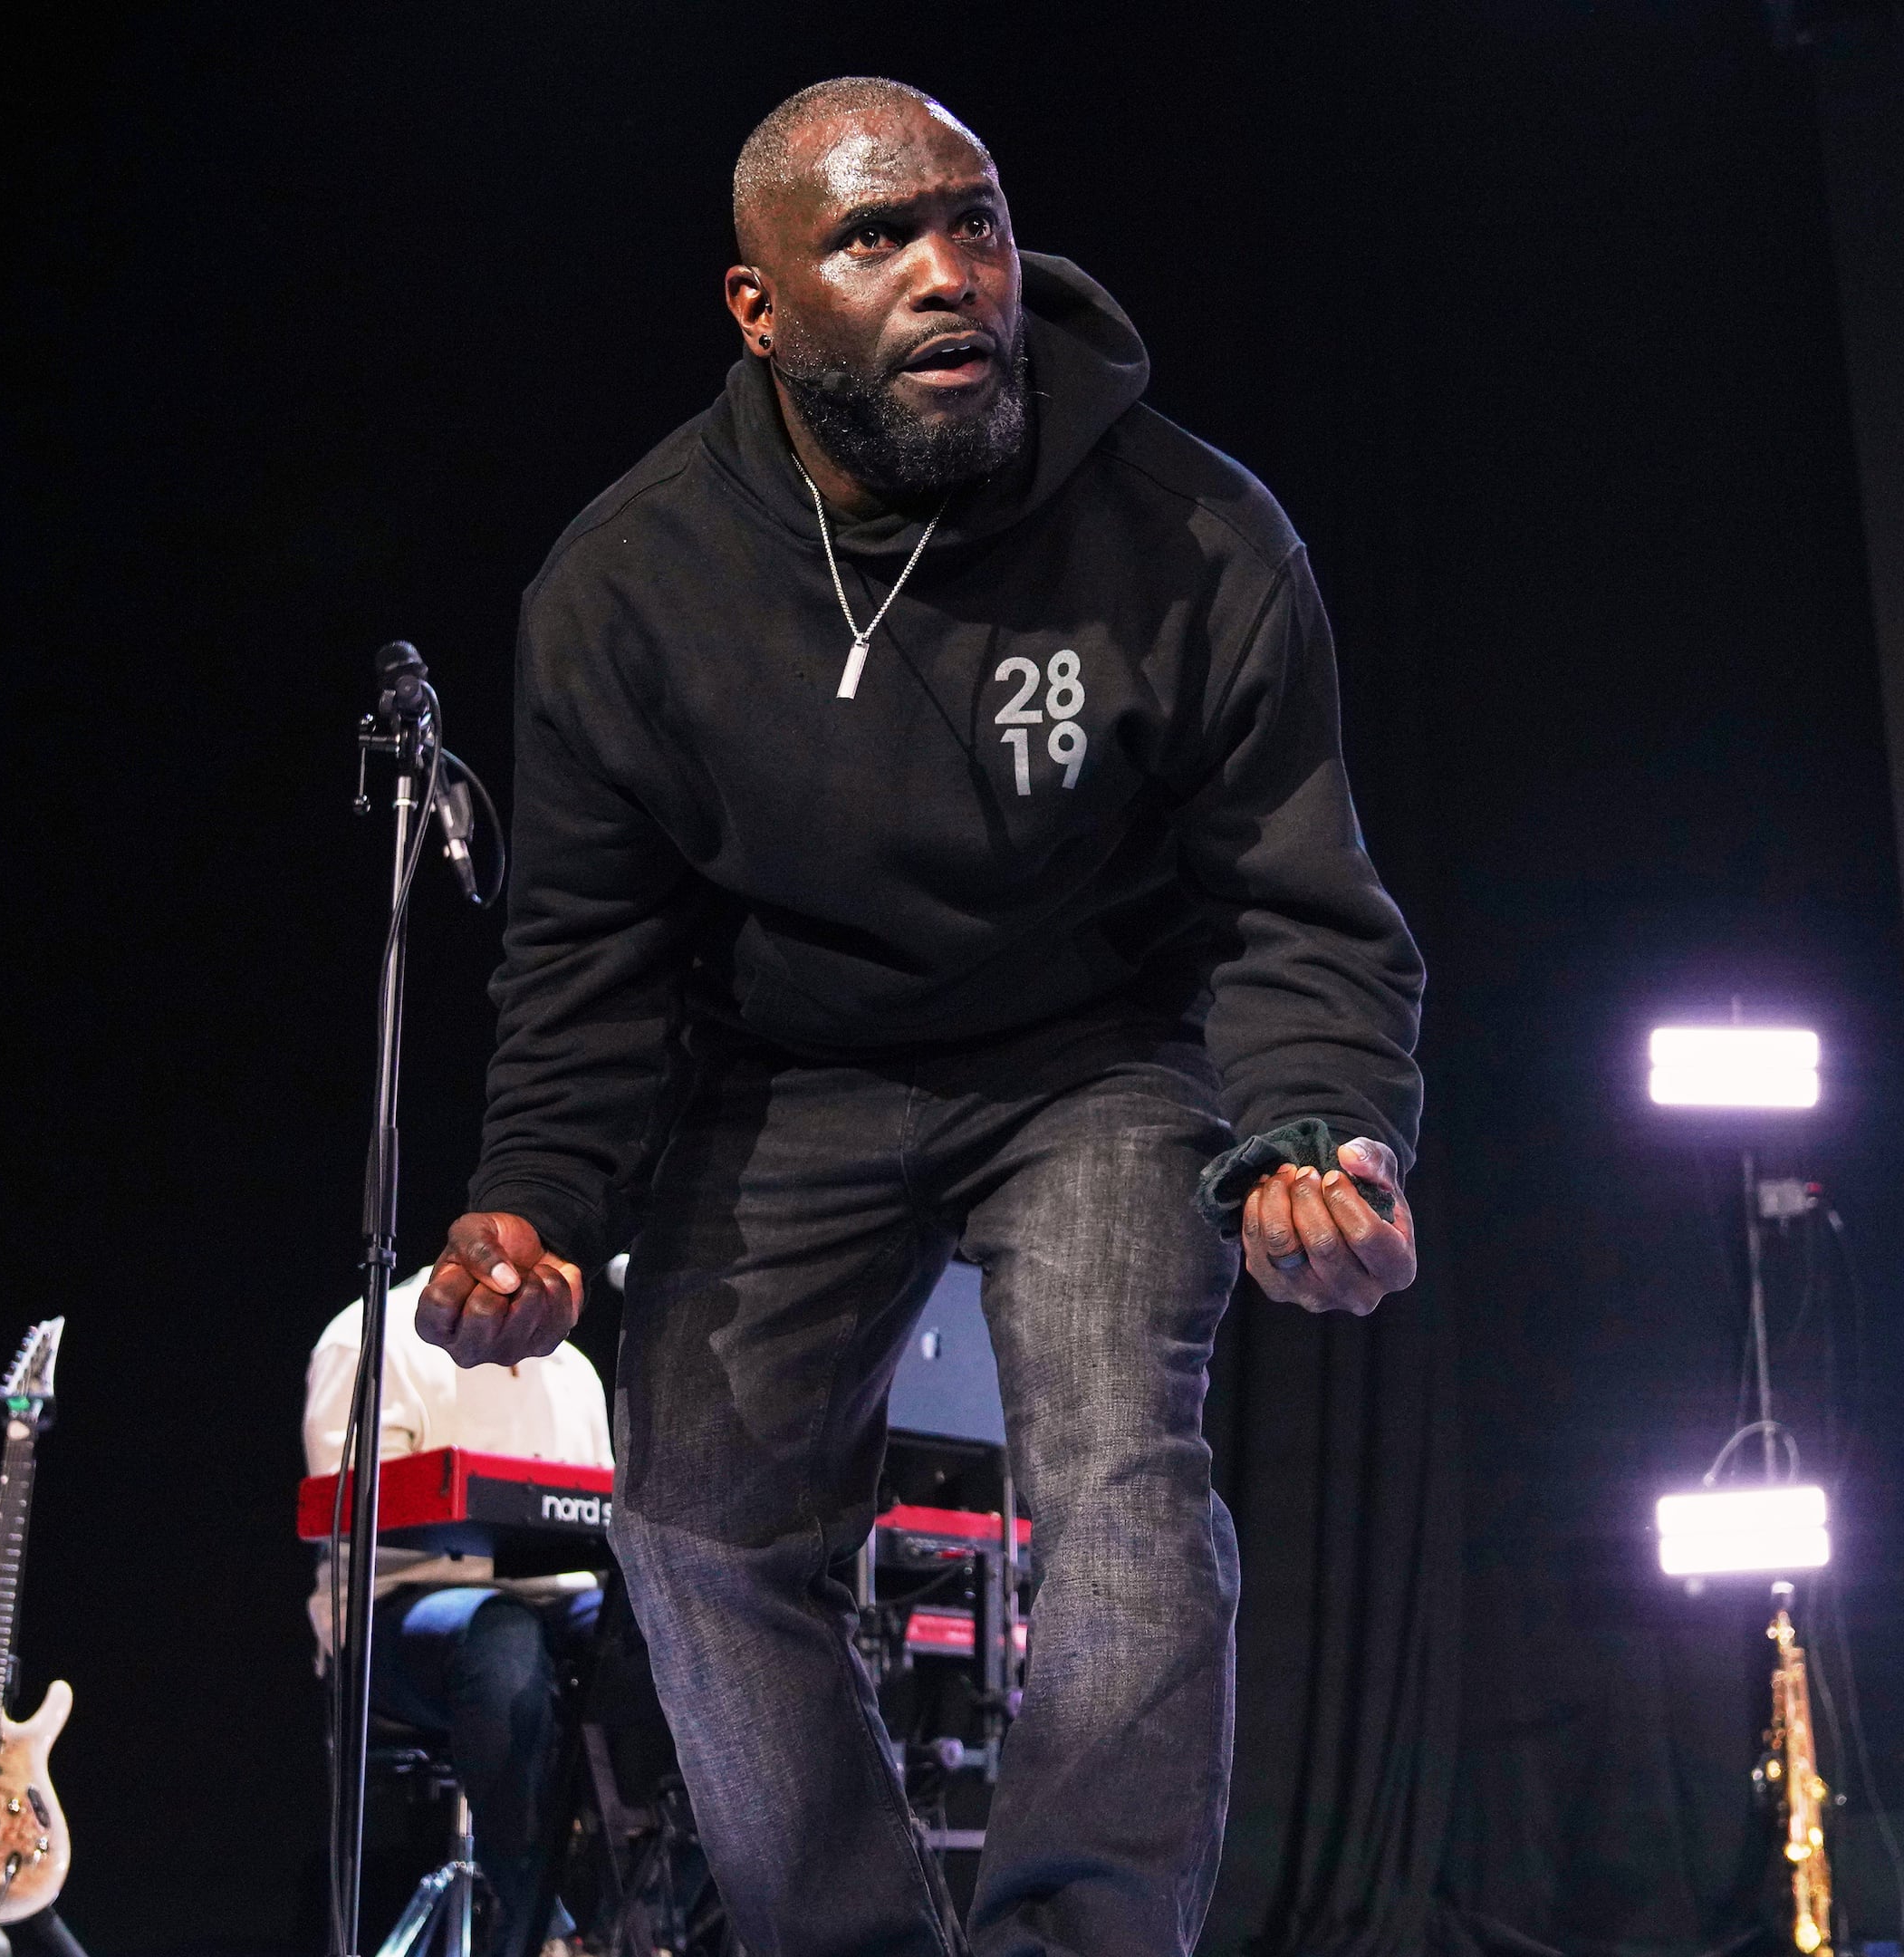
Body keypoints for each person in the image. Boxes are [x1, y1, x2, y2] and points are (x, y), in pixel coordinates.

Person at [410, 75, 1427, 1957]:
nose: (951, 273)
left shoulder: (1196, 533)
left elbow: (1294, 895)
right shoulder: (628, 586)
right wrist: (537, 1198)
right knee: (695, 1525)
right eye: (876, 239)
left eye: (975, 221)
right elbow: (585, 952)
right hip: (786, 1068)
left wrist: (1316, 1121)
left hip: (1095, 1054)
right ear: (760, 307)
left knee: (1121, 1474)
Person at [306, 1270, 614, 1957]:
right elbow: (346, 1510)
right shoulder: (372, 1337)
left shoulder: (572, 1368)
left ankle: (644, 1913)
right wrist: (483, 1513)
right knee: (500, 1637)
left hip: (554, 1599)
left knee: (663, 1638)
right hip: (402, 1605)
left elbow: (595, 1515)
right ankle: (541, 1931)